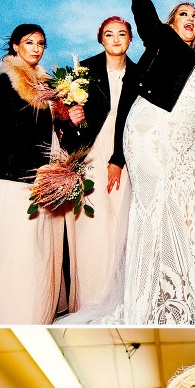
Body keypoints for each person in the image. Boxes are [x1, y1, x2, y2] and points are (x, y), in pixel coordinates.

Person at [89, 0, 195, 325]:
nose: (190, 19)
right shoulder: (160, 40)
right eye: (183, 14)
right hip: (148, 132)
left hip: (184, 145)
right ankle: (147, 300)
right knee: (157, 207)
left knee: (193, 211)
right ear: (170, 21)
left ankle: (187, 295)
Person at [0, 23, 84, 324]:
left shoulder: (47, 88)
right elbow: (11, 131)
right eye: (29, 42)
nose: (36, 48)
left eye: (41, 43)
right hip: (12, 177)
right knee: (15, 250)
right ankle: (10, 312)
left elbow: (53, 133)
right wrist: (40, 171)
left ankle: (37, 309)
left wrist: (71, 120)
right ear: (15, 46)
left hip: (40, 174)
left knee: (38, 250)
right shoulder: (7, 82)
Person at [62, 16, 137, 314]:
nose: (116, 39)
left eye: (122, 34)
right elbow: (65, 117)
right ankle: (90, 299)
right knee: (91, 225)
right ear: (100, 39)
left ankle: (118, 297)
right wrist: (71, 117)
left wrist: (118, 159)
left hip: (125, 155)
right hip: (91, 153)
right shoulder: (84, 71)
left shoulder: (139, 73)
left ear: (130, 39)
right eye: (109, 34)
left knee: (121, 222)